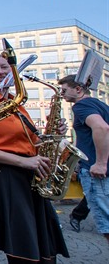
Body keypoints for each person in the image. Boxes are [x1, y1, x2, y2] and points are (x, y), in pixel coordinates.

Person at [0, 53, 69, 263]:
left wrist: (54, 134)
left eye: (5, 67)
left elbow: (35, 144)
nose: (0, 72)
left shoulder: (18, 104)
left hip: (30, 176)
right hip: (5, 177)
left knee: (45, 248)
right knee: (24, 248)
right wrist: (24, 161)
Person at [59, 74, 109, 244]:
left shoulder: (81, 106)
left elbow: (101, 127)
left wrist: (100, 163)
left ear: (78, 89)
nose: (62, 94)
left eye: (64, 90)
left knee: (107, 225)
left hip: (97, 171)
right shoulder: (100, 104)